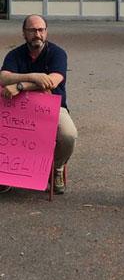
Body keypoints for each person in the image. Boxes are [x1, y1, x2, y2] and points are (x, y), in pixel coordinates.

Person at [0, 15, 77, 194]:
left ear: (46, 32)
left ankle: (56, 168)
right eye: (32, 30)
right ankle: (5, 171)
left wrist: (20, 86)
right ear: (24, 33)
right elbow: (3, 77)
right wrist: (34, 77)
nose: (37, 34)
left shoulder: (57, 53)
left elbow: (53, 81)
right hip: (17, 109)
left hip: (52, 107)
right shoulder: (15, 54)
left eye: (41, 30)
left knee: (68, 135)